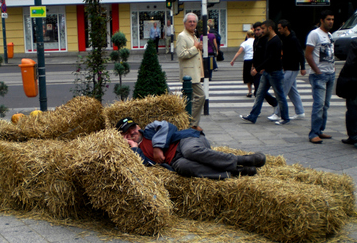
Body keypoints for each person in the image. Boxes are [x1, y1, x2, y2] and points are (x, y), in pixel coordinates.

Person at [116, 117, 266, 179]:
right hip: (176, 160)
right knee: (184, 167)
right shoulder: (135, 151)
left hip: (185, 141)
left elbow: (168, 126)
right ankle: (234, 172)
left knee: (191, 151)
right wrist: (134, 147)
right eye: (127, 133)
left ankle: (243, 159)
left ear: (138, 126)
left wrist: (157, 147)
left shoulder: (150, 129)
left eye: (133, 128)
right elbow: (143, 166)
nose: (132, 133)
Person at [240, 20, 290, 125]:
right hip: (267, 72)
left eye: (263, 29)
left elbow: (271, 58)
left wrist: (258, 68)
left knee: (280, 95)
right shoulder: (267, 40)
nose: (261, 31)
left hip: (275, 72)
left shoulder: (275, 41)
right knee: (259, 94)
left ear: (270, 28)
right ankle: (253, 116)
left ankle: (285, 117)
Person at [305, 10, 335, 144]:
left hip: (330, 73)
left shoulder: (329, 35)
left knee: (326, 105)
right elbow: (308, 54)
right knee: (319, 105)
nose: (331, 22)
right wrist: (317, 71)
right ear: (322, 20)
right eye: (328, 19)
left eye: (332, 19)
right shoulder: (314, 34)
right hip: (320, 75)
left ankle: (320, 129)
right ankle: (314, 133)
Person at [268, 19, 306, 121]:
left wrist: (303, 67)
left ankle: (277, 113)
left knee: (282, 90)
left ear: (286, 28)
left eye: (280, 28)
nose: (279, 30)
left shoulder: (293, 39)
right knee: (292, 91)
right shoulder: (286, 38)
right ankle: (300, 111)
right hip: (288, 68)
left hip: (292, 68)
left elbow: (300, 53)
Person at [176, 13, 205, 132]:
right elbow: (181, 54)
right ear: (185, 23)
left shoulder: (193, 35)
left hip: (195, 73)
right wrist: (195, 48)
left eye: (194, 21)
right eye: (190, 21)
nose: (192, 23)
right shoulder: (182, 36)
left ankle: (187, 122)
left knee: (188, 99)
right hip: (189, 75)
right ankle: (191, 123)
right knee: (201, 96)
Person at [251, 21, 278, 109]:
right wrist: (253, 66)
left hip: (263, 69)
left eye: (259, 29)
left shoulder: (266, 40)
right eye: (255, 30)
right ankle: (255, 112)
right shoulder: (256, 40)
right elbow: (255, 54)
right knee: (258, 91)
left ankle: (275, 103)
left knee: (259, 91)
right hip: (257, 67)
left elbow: (267, 56)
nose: (257, 32)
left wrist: (262, 68)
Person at [230, 30, 254, 97]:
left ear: (247, 35)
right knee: (255, 76)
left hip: (247, 60)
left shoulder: (245, 43)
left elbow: (239, 52)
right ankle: (257, 90)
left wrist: (233, 60)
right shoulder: (256, 42)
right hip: (255, 60)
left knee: (248, 76)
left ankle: (250, 91)